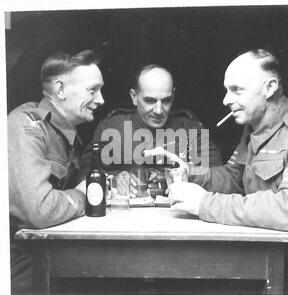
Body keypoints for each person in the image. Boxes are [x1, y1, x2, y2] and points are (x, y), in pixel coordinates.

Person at [168, 49, 288, 232]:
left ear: (270, 88)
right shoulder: (253, 127)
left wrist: (205, 204)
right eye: (227, 90)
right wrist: (189, 173)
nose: (226, 100)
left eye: (237, 90)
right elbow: (235, 178)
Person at [8, 49, 105, 295]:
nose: (101, 99)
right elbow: (42, 210)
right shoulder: (26, 126)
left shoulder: (66, 135)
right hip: (16, 265)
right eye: (93, 90)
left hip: (43, 254)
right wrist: (85, 196)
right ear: (60, 90)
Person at [77, 64, 223, 196]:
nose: (159, 110)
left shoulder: (189, 128)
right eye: (150, 101)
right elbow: (83, 175)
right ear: (134, 97)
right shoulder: (113, 127)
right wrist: (115, 179)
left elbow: (218, 176)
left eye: (166, 100)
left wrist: (175, 175)